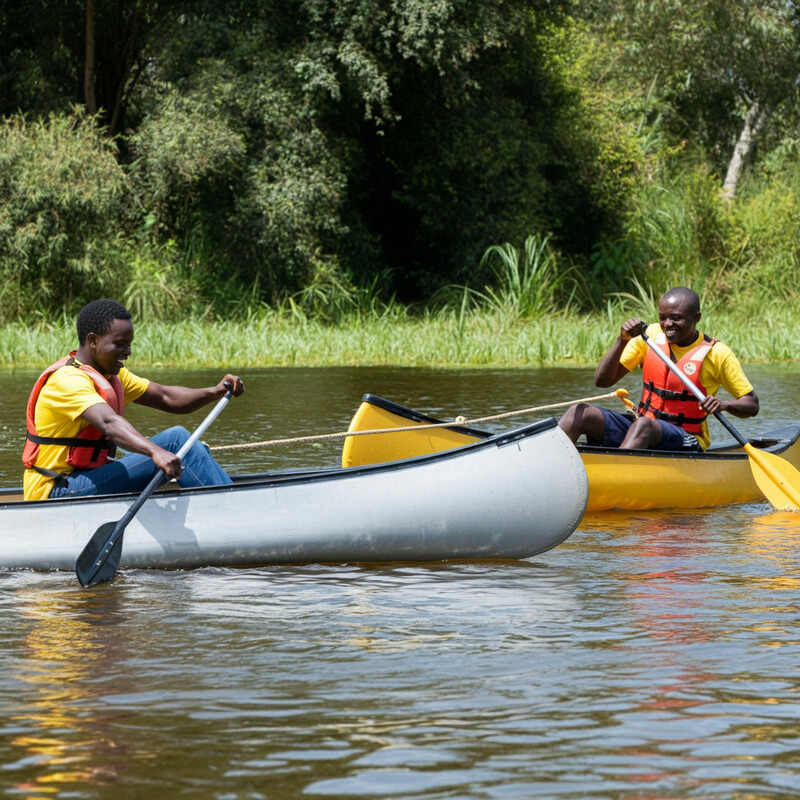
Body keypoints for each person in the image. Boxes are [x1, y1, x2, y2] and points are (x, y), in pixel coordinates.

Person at [22, 298, 245, 501]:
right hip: (56, 490)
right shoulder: (68, 380)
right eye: (119, 344)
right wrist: (155, 452)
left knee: (187, 450)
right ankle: (231, 508)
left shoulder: (111, 375)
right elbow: (110, 423)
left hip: (87, 479)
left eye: (129, 344)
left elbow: (166, 397)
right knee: (176, 441)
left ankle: (220, 504)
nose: (127, 352)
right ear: (92, 341)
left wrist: (214, 392)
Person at [559, 286, 758, 451]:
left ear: (697, 318)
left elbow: (751, 404)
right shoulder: (650, 337)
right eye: (663, 318)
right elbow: (602, 382)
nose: (668, 324)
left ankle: (617, 477)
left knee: (644, 426)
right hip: (641, 426)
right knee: (580, 413)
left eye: (676, 318)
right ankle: (551, 467)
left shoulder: (717, 354)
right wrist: (622, 341)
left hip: (686, 438)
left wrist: (723, 404)